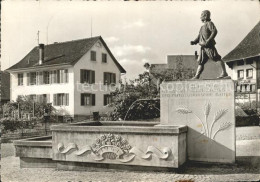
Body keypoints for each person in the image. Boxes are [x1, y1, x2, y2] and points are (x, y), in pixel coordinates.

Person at [191, 10, 229, 79]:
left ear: (205, 16)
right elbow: (199, 36)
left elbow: (214, 31)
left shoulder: (209, 23)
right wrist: (194, 41)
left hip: (209, 46)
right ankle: (197, 76)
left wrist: (209, 40)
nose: (200, 17)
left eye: (201, 15)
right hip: (203, 47)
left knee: (216, 58)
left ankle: (224, 72)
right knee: (201, 62)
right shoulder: (202, 27)